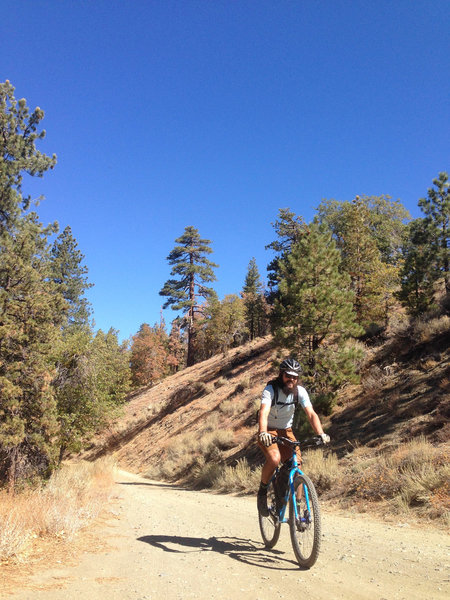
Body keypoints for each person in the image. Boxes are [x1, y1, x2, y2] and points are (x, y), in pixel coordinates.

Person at [257, 357, 330, 516]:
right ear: (281, 374)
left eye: (295, 377)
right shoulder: (270, 389)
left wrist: (321, 433)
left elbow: (311, 413)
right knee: (275, 459)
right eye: (288, 375)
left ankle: (297, 504)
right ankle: (262, 491)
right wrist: (263, 432)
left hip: (286, 430)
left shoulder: (300, 392)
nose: (291, 379)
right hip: (268, 430)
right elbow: (264, 412)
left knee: (297, 465)